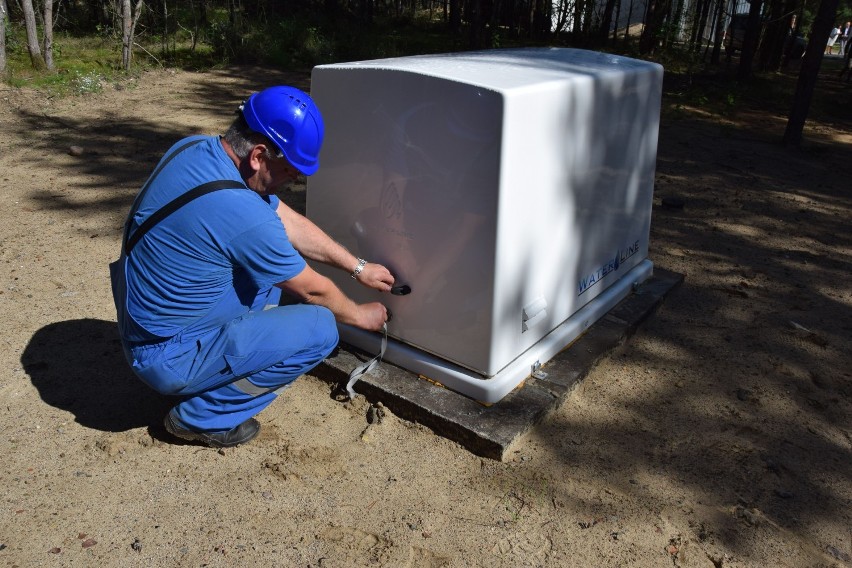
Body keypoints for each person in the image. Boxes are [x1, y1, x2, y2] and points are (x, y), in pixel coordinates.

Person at [110, 86, 394, 448]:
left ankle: (218, 361)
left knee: (271, 275)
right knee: (321, 327)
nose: (295, 180)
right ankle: (201, 417)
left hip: (144, 323)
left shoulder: (195, 149)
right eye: (291, 169)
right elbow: (312, 289)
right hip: (165, 355)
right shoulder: (240, 211)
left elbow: (286, 222)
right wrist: (358, 315)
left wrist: (358, 267)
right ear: (259, 155)